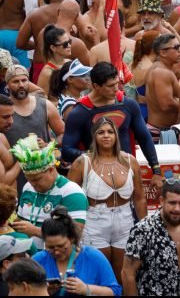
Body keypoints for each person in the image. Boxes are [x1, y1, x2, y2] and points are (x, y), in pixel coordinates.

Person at [67, 118, 145, 279]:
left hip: (125, 220)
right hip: (94, 220)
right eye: (101, 132)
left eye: (110, 132)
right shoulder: (83, 162)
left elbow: (139, 198)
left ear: (116, 135)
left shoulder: (130, 161)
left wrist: (145, 228)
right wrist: (71, 231)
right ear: (94, 137)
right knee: (98, 272)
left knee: (124, 273)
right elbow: (69, 199)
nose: (106, 136)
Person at [63, 62, 161, 187]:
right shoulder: (80, 112)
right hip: (96, 178)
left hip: (127, 174)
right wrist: (96, 156)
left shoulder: (128, 105)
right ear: (96, 86)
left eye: (117, 83)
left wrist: (156, 170)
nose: (116, 89)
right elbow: (67, 150)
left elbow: (144, 137)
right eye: (110, 86)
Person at [122, 178, 180, 296]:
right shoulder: (144, 230)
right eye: (172, 203)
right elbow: (127, 273)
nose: (177, 209)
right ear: (162, 201)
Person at [31, 205, 121, 297]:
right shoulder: (38, 261)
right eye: (50, 247)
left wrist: (86, 289)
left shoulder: (93, 257)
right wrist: (43, 292)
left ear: (72, 238)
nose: (56, 252)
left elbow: (115, 292)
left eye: (61, 246)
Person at [145, 34, 180, 138]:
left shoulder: (160, 69)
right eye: (176, 47)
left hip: (161, 131)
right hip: (160, 132)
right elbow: (166, 104)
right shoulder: (161, 72)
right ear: (163, 52)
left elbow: (178, 93)